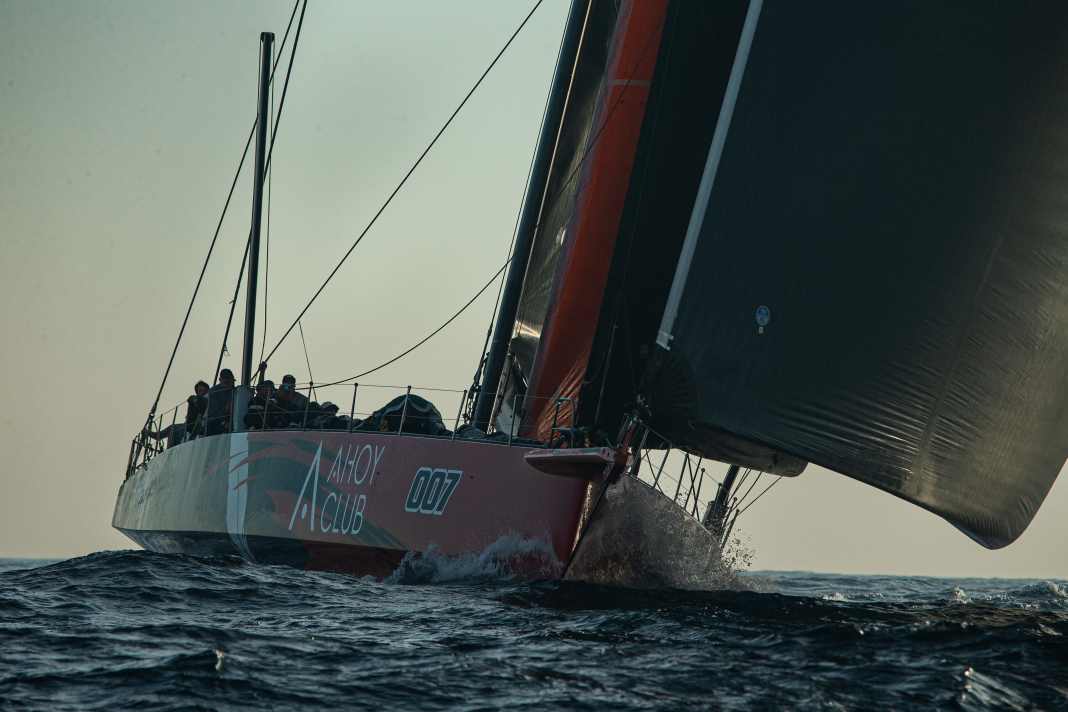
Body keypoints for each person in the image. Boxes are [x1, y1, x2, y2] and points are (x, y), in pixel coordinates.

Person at [205, 368, 236, 435]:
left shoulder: (235, 391)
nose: (229, 384)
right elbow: (213, 412)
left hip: (232, 421)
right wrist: (224, 422)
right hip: (215, 423)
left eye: (231, 381)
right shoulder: (214, 392)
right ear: (220, 380)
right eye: (226, 382)